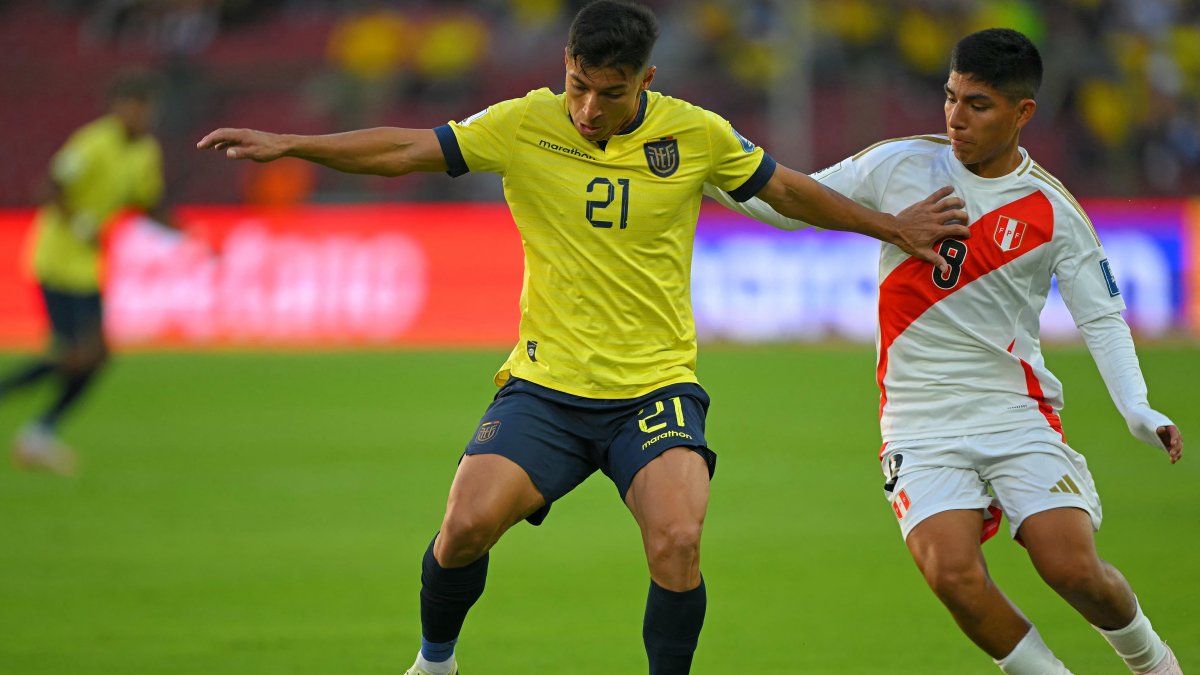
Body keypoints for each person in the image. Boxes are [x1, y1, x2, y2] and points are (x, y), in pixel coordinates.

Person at [198, 2, 968, 673]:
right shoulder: (522, 123)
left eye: (610, 93)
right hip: (545, 387)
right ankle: (436, 662)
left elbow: (789, 189)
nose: (589, 109)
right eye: (577, 86)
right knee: (463, 528)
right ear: (564, 66)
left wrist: (891, 226)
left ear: (646, 80)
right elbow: (405, 150)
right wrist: (293, 143)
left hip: (654, 389)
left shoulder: (694, 134)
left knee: (678, 540)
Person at [706, 28, 1184, 675]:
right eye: (951, 97)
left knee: (1071, 568)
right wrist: (707, 168)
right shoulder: (898, 165)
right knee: (951, 573)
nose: (956, 117)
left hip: (1015, 411)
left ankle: (1154, 662)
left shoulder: (1052, 210)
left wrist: (1137, 406)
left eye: (978, 104)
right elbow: (795, 204)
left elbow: (1100, 315)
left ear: (1023, 113)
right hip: (919, 419)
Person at [1, 70, 172, 476]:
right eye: (132, 108)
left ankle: (40, 433)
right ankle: (38, 433)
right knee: (84, 353)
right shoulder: (92, 143)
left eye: (144, 108)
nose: (138, 115)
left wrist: (188, 235)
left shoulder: (145, 152)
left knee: (88, 356)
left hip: (88, 266)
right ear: (117, 109)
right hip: (57, 259)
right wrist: (78, 224)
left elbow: (147, 203)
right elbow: (48, 187)